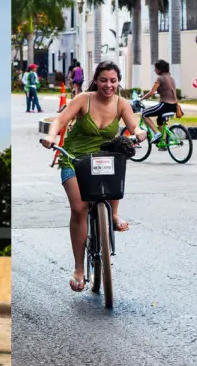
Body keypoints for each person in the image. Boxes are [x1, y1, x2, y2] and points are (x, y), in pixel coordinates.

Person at [40, 61, 147, 292]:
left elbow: (134, 125)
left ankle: (114, 214)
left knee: (117, 162)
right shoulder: (83, 99)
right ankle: (79, 268)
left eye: (113, 81)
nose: (108, 85)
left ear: (118, 82)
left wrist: (139, 133)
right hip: (75, 158)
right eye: (103, 80)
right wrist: (50, 136)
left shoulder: (122, 103)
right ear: (96, 80)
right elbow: (60, 120)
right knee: (79, 208)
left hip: (104, 160)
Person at [138, 59, 179, 144]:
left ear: (160, 69)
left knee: (144, 113)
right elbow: (168, 90)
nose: (154, 70)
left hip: (165, 105)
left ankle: (156, 134)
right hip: (174, 106)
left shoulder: (160, 78)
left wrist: (141, 99)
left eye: (155, 68)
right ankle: (162, 143)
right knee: (159, 121)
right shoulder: (171, 78)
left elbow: (151, 93)